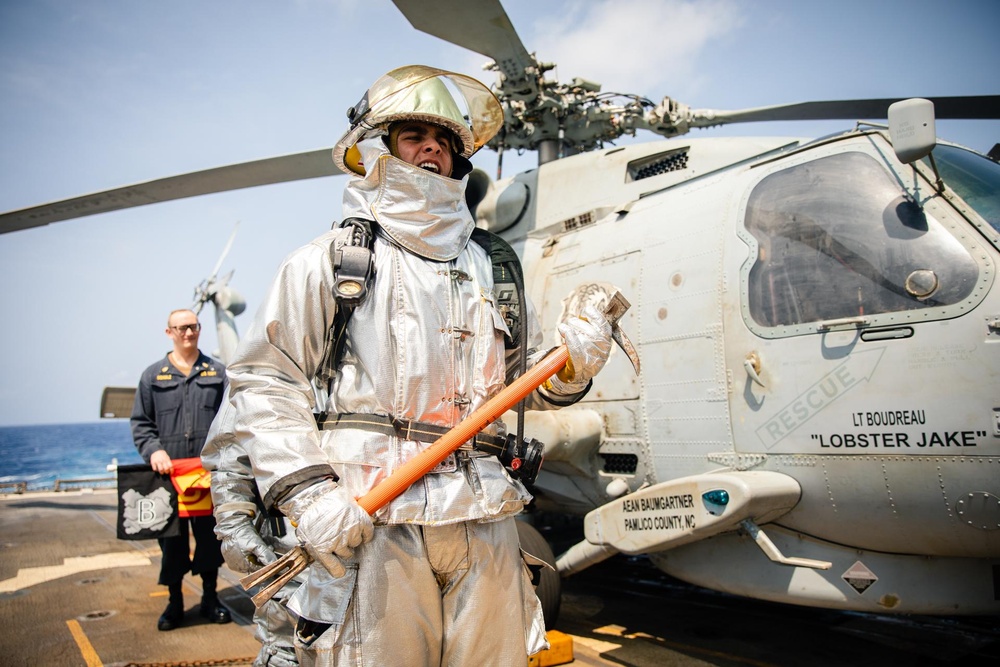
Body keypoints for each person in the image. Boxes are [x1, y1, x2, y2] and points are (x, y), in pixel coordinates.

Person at [224, 65, 613, 666]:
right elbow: (266, 379)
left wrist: (575, 363)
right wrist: (309, 496)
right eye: (413, 135)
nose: (432, 146)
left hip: (485, 518)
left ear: (460, 159)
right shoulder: (330, 261)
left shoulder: (495, 267)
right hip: (373, 520)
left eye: (446, 139)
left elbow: (526, 383)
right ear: (381, 150)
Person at [130, 308, 231, 631]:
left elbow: (230, 420)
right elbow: (141, 424)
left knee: (209, 541)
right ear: (169, 332)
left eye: (193, 327)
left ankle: (210, 598)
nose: (189, 333)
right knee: (171, 544)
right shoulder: (151, 376)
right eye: (182, 328)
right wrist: (153, 450)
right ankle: (175, 601)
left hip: (206, 476)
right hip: (167, 478)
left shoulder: (218, 373)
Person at [202, 389, 301, 667]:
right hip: (290, 555)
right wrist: (233, 524)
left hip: (378, 546)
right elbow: (228, 456)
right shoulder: (262, 358)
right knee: (285, 649)